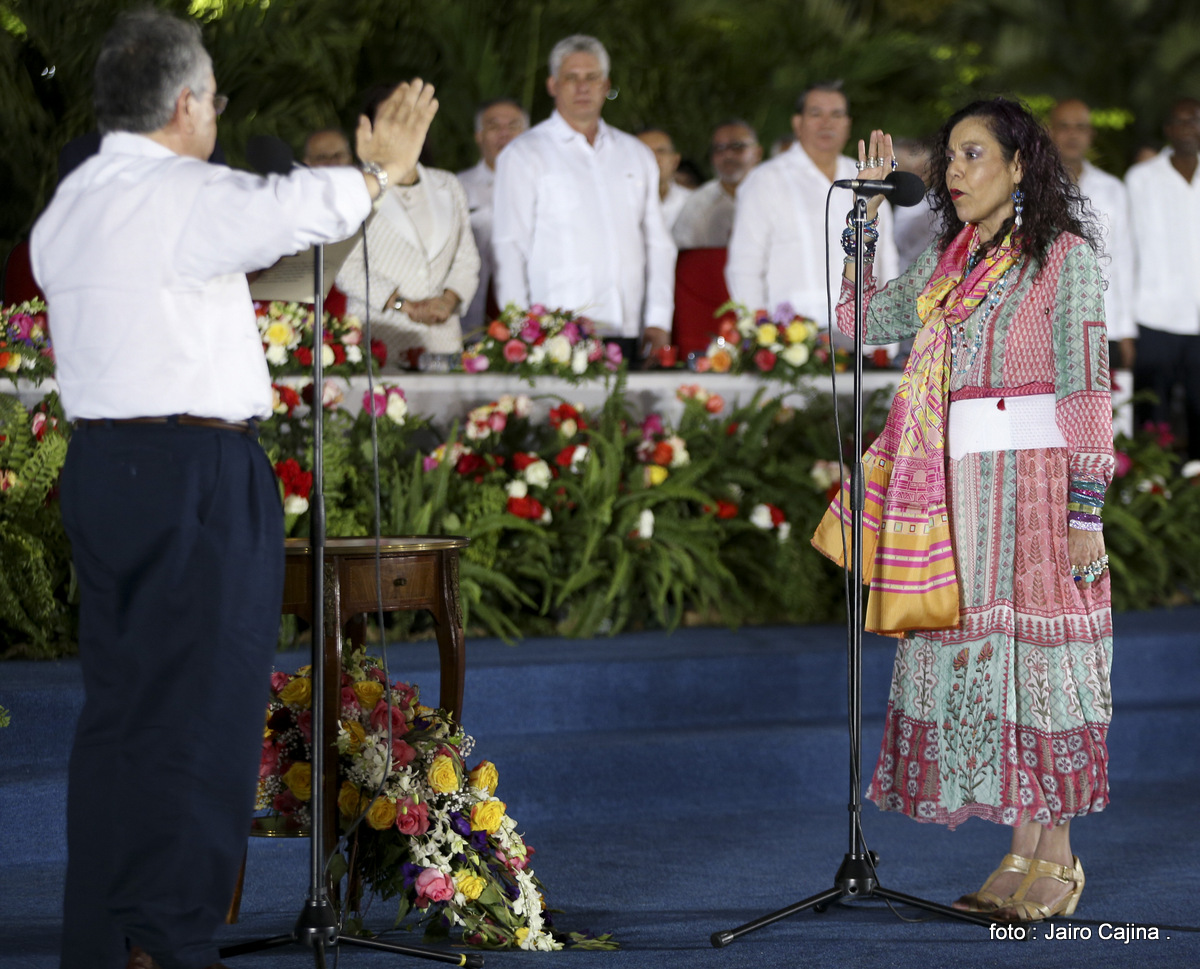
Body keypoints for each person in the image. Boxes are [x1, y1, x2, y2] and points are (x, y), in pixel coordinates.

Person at [29, 10, 436, 969]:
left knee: (124, 714)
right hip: (193, 473)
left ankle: (108, 938)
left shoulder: (73, 201)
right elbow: (290, 209)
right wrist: (380, 173)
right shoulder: (179, 192)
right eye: (211, 97)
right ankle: (168, 941)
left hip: (105, 470)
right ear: (184, 104)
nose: (217, 113)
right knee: (205, 715)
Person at [813, 98, 1113, 923]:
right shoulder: (948, 261)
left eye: (973, 153)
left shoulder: (1063, 258)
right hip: (957, 491)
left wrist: (1085, 510)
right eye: (948, 157)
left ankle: (1056, 856)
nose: (954, 170)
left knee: (1039, 667)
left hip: (1041, 485)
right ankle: (1020, 850)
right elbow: (855, 321)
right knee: (991, 669)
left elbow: (1088, 388)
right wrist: (866, 218)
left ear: (1021, 166)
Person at [492, 34, 676, 364]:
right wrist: (519, 327)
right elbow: (509, 246)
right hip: (555, 331)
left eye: (591, 78)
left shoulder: (635, 154)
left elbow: (659, 244)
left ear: (606, 84)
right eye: (571, 78)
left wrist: (658, 320)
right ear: (552, 85)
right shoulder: (523, 154)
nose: (582, 87)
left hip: (628, 326)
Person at [725, 81, 898, 330]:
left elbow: (886, 259)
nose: (827, 123)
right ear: (798, 123)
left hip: (862, 337)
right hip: (790, 345)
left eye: (836, 114)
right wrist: (759, 338)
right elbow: (744, 267)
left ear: (848, 124)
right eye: (816, 114)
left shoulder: (866, 176)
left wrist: (887, 335)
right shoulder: (766, 180)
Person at [336, 85, 480, 364]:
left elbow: (467, 261)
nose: (400, 127)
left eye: (408, 116)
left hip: (441, 337)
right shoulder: (355, 188)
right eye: (390, 118)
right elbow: (346, 270)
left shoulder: (448, 184)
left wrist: (447, 302)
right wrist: (405, 306)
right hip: (377, 338)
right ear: (370, 128)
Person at [1125, 97, 1200, 458]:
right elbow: (1126, 253)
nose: (1188, 128)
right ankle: (1155, 502)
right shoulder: (1142, 178)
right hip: (1155, 320)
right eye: (1180, 122)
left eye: (1195, 121)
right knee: (1154, 424)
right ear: (1168, 129)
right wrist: (1125, 326)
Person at [1048, 99, 1136, 371]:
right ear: (1050, 132)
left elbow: (1123, 260)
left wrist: (1126, 331)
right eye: (1064, 127)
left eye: (1080, 127)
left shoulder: (1113, 189)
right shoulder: (1031, 188)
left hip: (1104, 321)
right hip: (1046, 324)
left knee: (1105, 410)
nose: (1072, 135)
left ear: (1091, 135)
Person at [457, 98, 529, 337]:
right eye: (494, 126)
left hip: (531, 311)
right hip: (470, 313)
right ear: (479, 135)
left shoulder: (544, 188)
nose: (504, 134)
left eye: (513, 126)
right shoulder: (457, 188)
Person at [672, 119, 762, 250]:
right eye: (719, 148)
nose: (728, 155)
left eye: (737, 147)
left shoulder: (779, 197)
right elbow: (684, 259)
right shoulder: (697, 205)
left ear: (758, 153)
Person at [637, 127, 693, 231]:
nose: (654, 158)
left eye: (661, 151)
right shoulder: (617, 205)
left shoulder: (693, 203)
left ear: (675, 161)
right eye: (645, 151)